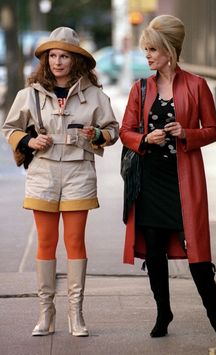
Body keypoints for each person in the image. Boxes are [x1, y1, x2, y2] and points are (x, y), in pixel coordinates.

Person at [120, 15, 216, 342]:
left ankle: (215, 316)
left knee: (198, 253)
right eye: (146, 51)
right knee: (154, 250)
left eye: (153, 50)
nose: (148, 56)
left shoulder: (197, 85)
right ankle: (162, 312)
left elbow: (213, 130)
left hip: (185, 180)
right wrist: (144, 139)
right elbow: (126, 131)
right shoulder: (140, 87)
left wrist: (186, 132)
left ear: (169, 50)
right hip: (150, 180)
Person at [2, 27, 119, 337]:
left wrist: (97, 134)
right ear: (46, 60)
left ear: (75, 59)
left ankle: (75, 314)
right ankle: (46, 313)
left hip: (79, 171)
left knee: (75, 242)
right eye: (52, 56)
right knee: (45, 242)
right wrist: (28, 141)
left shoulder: (95, 95)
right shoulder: (29, 94)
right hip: (43, 173)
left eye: (64, 56)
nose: (57, 61)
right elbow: (9, 128)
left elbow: (111, 130)